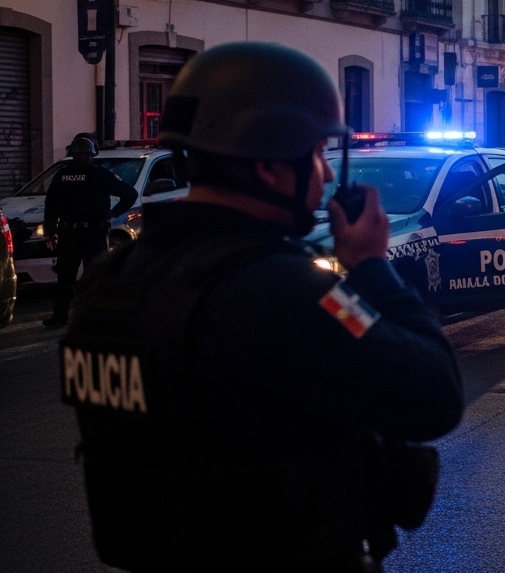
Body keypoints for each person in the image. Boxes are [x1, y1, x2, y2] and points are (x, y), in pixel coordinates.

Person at [60, 42, 465, 571]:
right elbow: (433, 392)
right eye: (318, 154)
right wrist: (370, 267)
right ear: (272, 165)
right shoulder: (287, 290)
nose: (323, 176)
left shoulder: (109, 285)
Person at [41, 135, 138, 328]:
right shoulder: (101, 174)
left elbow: (50, 205)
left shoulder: (63, 175)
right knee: (90, 278)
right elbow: (130, 194)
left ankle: (61, 316)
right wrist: (114, 213)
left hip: (72, 233)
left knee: (68, 278)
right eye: (81, 155)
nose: (83, 158)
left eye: (83, 155)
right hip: (90, 234)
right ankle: (92, 318)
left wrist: (50, 231)